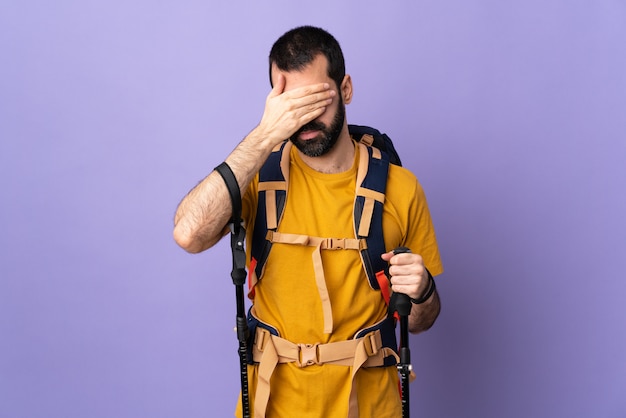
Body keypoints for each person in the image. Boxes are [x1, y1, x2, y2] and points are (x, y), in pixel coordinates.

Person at [173, 26, 443, 418]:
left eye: (317, 99)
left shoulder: (402, 188)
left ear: (346, 88)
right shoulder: (257, 177)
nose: (305, 118)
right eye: (291, 106)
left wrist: (422, 289)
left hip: (371, 406)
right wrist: (266, 134)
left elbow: (421, 321)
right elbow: (188, 234)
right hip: (272, 404)